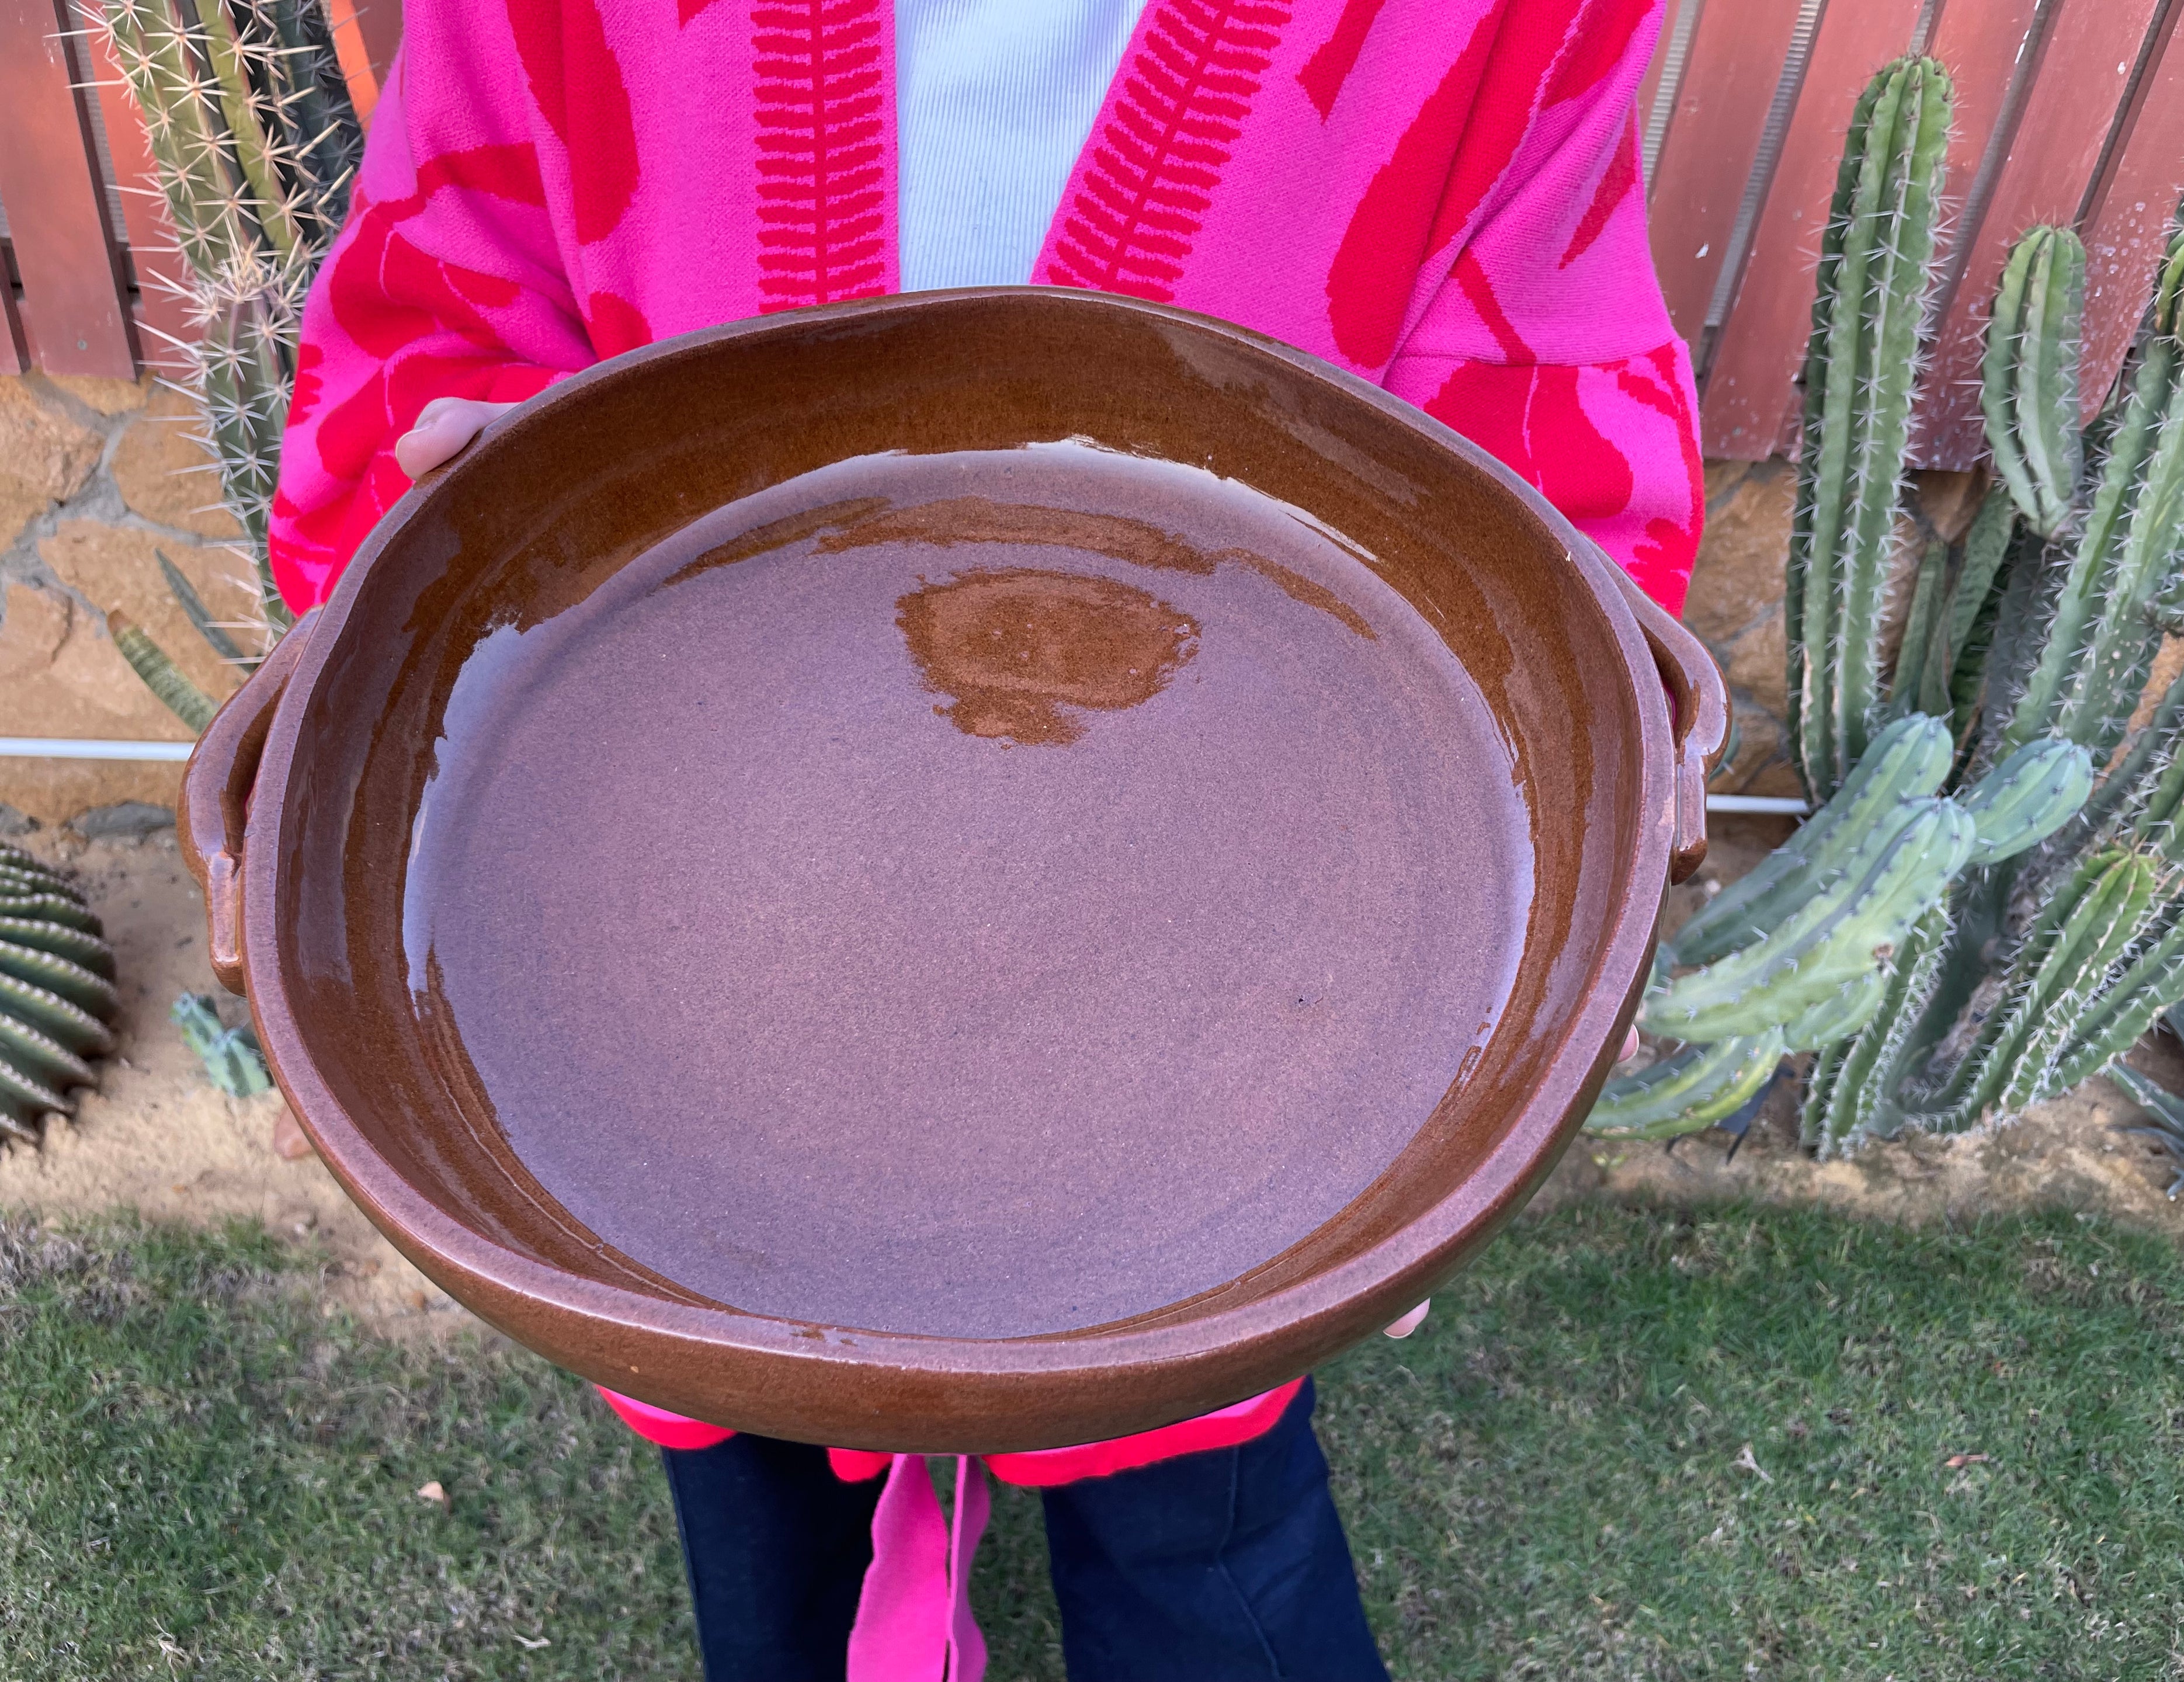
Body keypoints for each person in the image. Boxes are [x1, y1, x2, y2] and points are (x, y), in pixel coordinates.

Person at [272, 2, 1697, 1677]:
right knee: (746, 1451)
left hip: (1219, 986)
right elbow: (439, 296)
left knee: (1197, 1493)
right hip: (688, 961)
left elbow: (1549, 464)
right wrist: (435, 494)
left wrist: (1455, 1077)